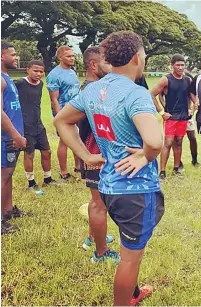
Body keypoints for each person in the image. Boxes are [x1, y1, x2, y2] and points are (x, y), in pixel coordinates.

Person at [54, 31, 164, 306]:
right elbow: (154, 141)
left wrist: (84, 155)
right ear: (137, 57)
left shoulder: (93, 89)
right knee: (130, 257)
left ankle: (134, 292)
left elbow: (61, 121)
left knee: (129, 246)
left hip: (108, 186)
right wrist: (144, 156)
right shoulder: (136, 93)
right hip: (136, 190)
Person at [77, 46, 117, 261]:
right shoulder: (92, 90)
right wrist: (85, 153)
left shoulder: (93, 88)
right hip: (96, 152)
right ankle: (100, 253)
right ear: (93, 65)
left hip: (96, 152)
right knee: (98, 203)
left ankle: (94, 236)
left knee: (98, 200)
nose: (111, 66)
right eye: (106, 62)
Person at [15, 60, 57, 195]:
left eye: (41, 71)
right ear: (28, 69)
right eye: (35, 71)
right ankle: (31, 183)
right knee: (29, 154)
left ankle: (48, 178)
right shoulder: (20, 83)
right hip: (25, 126)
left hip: (38, 125)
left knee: (47, 152)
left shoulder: (41, 84)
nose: (38, 74)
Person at [1, 41, 29, 234]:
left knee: (8, 175)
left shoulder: (6, 77)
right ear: (2, 56)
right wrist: (15, 135)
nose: (16, 57)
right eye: (13, 54)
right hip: (6, 137)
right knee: (3, 176)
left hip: (12, 137)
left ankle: (8, 210)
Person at [151, 54, 192, 179]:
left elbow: (189, 96)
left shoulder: (187, 80)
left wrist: (190, 108)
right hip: (171, 118)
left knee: (179, 142)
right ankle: (162, 172)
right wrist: (162, 112)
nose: (180, 67)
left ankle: (176, 169)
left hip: (183, 117)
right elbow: (151, 94)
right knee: (168, 143)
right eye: (177, 65)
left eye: (182, 65)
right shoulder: (166, 79)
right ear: (172, 65)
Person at [46, 45, 80, 180]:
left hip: (76, 111)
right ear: (60, 57)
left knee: (77, 138)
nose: (72, 58)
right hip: (64, 113)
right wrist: (60, 118)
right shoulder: (54, 75)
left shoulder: (72, 72)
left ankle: (78, 167)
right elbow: (54, 99)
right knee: (64, 141)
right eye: (69, 56)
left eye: (73, 56)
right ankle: (64, 172)